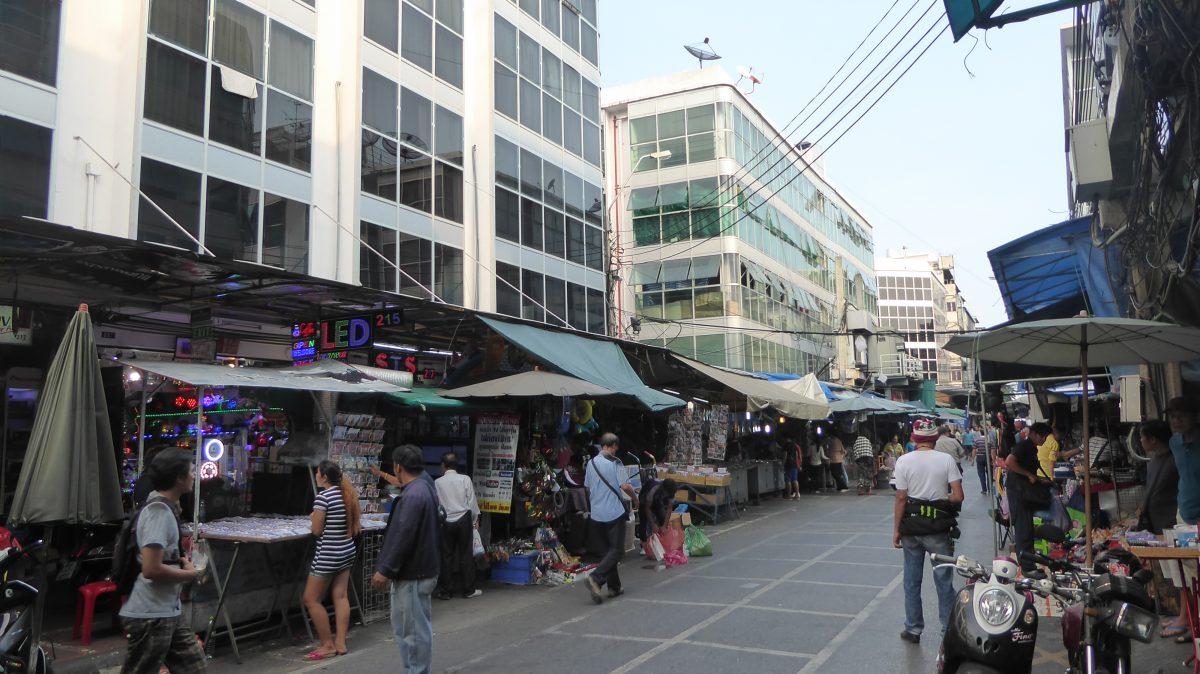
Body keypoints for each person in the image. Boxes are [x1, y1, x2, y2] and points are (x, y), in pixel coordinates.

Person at [119, 449, 205, 674]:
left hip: (167, 610)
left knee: (194, 668)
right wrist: (189, 574)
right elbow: (151, 568)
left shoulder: (165, 508)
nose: (194, 475)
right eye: (191, 471)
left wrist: (181, 562)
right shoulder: (158, 512)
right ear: (178, 478)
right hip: (151, 614)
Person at [893, 419, 964, 644]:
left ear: (914, 438)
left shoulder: (903, 461)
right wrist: (942, 498)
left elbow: (901, 497)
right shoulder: (947, 460)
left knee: (912, 581)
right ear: (934, 438)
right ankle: (946, 630)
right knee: (944, 581)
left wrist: (896, 530)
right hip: (938, 529)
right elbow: (958, 496)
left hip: (911, 529)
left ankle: (913, 629)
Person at [372, 445, 440, 674]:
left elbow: (404, 535)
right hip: (419, 570)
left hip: (413, 573)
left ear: (398, 466)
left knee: (413, 632)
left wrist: (386, 569)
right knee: (408, 629)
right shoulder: (423, 485)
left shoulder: (414, 494)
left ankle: (417, 671)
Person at [302, 461, 361, 661]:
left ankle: (327, 644)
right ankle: (341, 643)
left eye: (318, 472)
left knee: (311, 599)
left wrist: (313, 518)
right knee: (341, 595)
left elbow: (317, 530)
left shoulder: (323, 497)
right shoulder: (346, 495)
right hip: (346, 550)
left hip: (328, 553)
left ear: (324, 477)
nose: (316, 475)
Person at [584, 433, 636, 603]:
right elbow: (626, 486)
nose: (616, 450)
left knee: (608, 552)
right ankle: (596, 578)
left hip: (596, 515)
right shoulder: (616, 462)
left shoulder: (590, 463)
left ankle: (614, 587)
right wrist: (636, 499)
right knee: (617, 550)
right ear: (613, 445)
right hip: (614, 513)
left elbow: (588, 488)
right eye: (616, 447)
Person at [1002, 421, 1051, 575]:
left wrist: (1037, 478)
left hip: (1023, 491)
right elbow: (1009, 462)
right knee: (1023, 529)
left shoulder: (1031, 447)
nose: (1044, 440)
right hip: (1018, 492)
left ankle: (1029, 564)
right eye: (1042, 436)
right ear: (1034, 434)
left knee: (1027, 529)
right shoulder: (1024, 446)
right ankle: (1027, 568)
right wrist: (1029, 475)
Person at [434, 452, 481, 600]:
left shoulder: (438, 482)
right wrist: (475, 519)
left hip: (446, 520)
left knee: (446, 556)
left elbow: (438, 504)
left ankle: (446, 591)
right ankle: (468, 590)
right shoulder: (465, 479)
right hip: (463, 519)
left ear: (443, 465)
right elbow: (471, 501)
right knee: (465, 554)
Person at [1169, 397, 1200, 525]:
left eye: (1182, 416)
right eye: (1173, 416)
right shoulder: (1174, 442)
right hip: (1185, 512)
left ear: (1196, 417)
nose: (1177, 420)